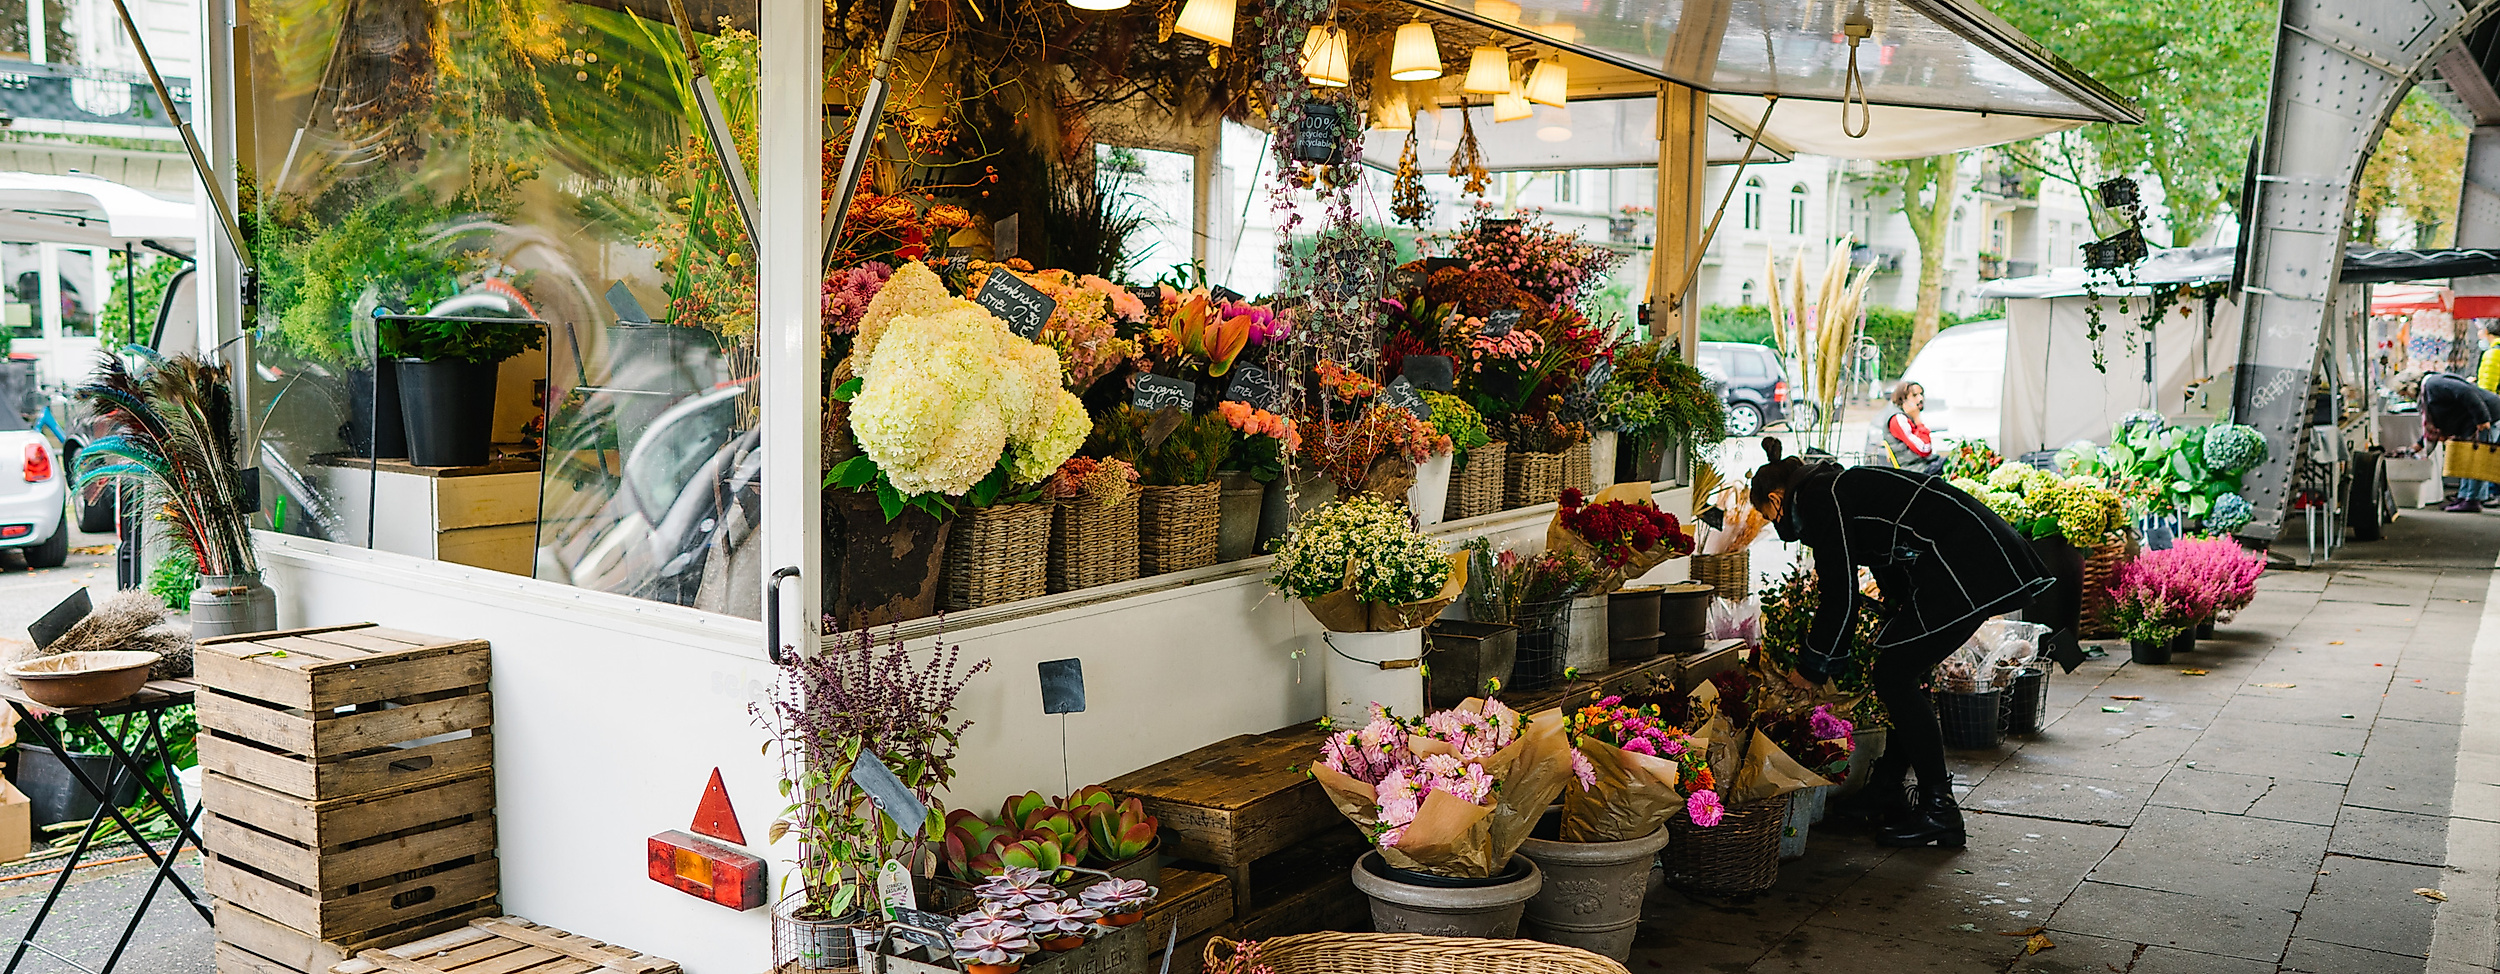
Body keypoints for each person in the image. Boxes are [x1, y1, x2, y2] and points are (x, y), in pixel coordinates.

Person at [1750, 437, 2052, 847]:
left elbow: (1840, 590)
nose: (1776, 526)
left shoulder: (1820, 497)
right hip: (1966, 553)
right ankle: (1891, 788)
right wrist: (1897, 610)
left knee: (1894, 673)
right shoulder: (1834, 485)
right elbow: (1885, 553)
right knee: (1900, 668)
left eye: (1769, 516)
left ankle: (1939, 810)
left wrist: (1812, 667)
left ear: (1775, 497)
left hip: (1966, 559)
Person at [2394, 369, 2500, 512]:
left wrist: (2482, 418)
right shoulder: (2431, 388)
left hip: (2489, 415)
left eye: (2404, 394)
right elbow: (2436, 423)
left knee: (2477, 458)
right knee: (2469, 458)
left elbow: (2465, 392)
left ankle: (2472, 500)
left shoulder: (2434, 384)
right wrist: (2418, 445)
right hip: (2478, 417)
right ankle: (2464, 497)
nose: (2407, 398)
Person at [1863, 381, 1943, 474]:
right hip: (1915, 468)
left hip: (1922, 463)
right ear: (1904, 399)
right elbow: (1924, 449)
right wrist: (1918, 420)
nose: (1920, 399)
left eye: (1921, 394)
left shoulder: (1907, 416)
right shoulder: (1898, 419)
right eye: (1914, 395)